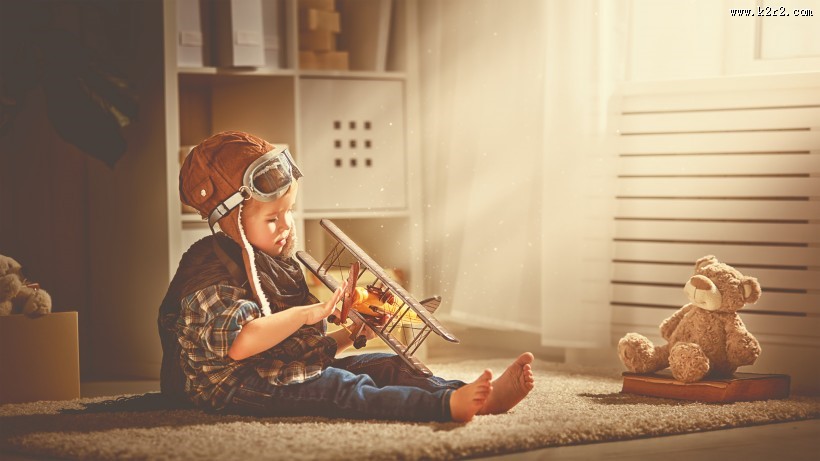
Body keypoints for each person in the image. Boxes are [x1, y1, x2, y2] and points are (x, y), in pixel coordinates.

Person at [158, 131, 535, 422]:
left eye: (289, 212)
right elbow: (240, 346)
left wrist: (352, 332)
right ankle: (443, 406)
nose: (286, 226)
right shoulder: (210, 273)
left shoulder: (271, 261)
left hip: (275, 368)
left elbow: (291, 350)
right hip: (237, 386)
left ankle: (471, 395)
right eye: (272, 218)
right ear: (232, 220)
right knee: (341, 387)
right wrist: (310, 313)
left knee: (387, 364)